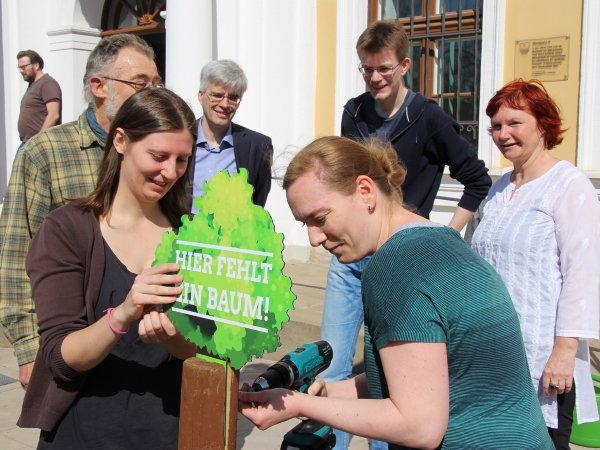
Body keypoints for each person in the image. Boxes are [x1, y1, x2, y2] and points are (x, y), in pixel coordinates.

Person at [238, 136, 554, 449]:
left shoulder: (393, 268)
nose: (313, 239)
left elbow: (419, 426)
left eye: (319, 219)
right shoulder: (437, 239)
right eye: (304, 223)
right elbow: (424, 374)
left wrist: (299, 405)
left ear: (364, 191)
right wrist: (329, 394)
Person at [320, 19, 491, 449]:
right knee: (332, 366)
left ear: (405, 66)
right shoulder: (354, 112)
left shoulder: (428, 116)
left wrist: (448, 233)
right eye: (366, 69)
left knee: (391, 382)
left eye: (383, 69)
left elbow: (476, 178)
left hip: (400, 266)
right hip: (350, 262)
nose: (375, 78)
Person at [18, 87, 198, 449]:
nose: (170, 172)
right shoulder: (67, 230)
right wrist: (124, 313)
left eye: (182, 160)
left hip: (171, 433)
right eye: (159, 155)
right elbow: (60, 355)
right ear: (120, 141)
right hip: (83, 433)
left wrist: (175, 338)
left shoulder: (195, 236)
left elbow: (210, 353)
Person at [0, 34, 161, 391]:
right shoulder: (46, 153)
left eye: (156, 83)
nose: (152, 93)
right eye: (140, 84)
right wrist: (28, 350)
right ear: (98, 86)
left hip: (149, 351)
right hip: (75, 347)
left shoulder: (159, 155)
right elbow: (14, 254)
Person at [471, 79, 600, 449]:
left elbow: (582, 273)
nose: (502, 134)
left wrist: (564, 351)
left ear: (542, 124)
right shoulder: (500, 188)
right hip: (495, 353)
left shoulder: (569, 186)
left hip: (543, 360)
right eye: (496, 126)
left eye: (514, 123)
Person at [191, 59, 273, 210]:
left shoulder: (258, 146)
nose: (225, 104)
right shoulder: (181, 139)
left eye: (233, 98)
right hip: (184, 232)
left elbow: (257, 204)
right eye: (217, 95)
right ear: (201, 96)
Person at [16, 49, 62, 144]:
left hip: (40, 144)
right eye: (19, 67)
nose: (21, 71)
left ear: (36, 65)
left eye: (24, 67)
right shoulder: (33, 84)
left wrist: (38, 140)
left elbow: (53, 115)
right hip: (28, 142)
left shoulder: (47, 83)